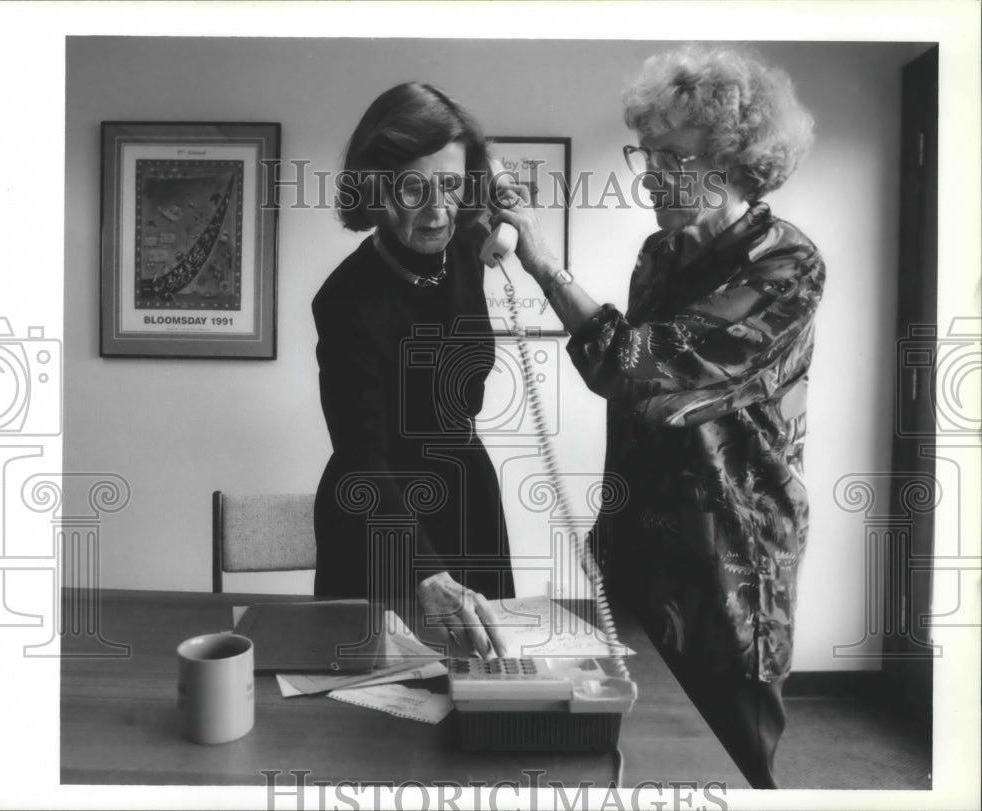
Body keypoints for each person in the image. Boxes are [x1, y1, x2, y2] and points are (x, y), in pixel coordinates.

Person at [492, 45, 823, 788]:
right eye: (646, 153)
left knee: (729, 763)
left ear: (733, 156)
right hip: (639, 555)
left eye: (672, 154)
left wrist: (547, 266)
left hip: (728, 570)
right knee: (638, 755)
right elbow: (622, 391)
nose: (650, 172)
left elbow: (653, 376)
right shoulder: (658, 256)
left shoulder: (786, 266)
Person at [312, 82, 512, 659]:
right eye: (412, 187)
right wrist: (424, 572)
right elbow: (362, 454)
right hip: (380, 514)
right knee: (378, 702)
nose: (437, 209)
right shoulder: (345, 299)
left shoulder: (474, 245)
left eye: (451, 184)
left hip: (467, 495)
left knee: (488, 674)